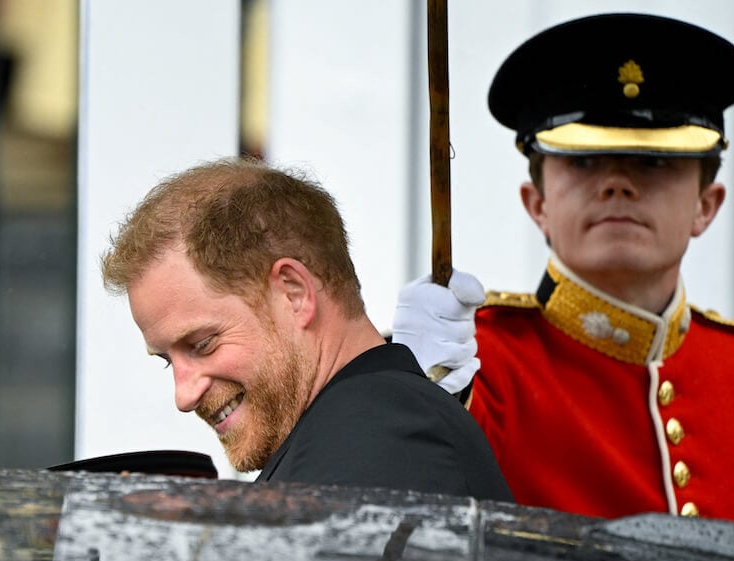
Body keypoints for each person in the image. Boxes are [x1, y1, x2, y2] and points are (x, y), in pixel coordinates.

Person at [392, 13, 734, 525]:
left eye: (652, 163)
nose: (617, 184)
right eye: (584, 162)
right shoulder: (473, 366)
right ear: (536, 202)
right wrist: (403, 387)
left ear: (707, 204)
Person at [101, 157, 513, 501]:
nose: (184, 396)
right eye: (167, 361)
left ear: (294, 293)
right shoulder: (354, 433)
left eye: (203, 344)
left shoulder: (379, 440)